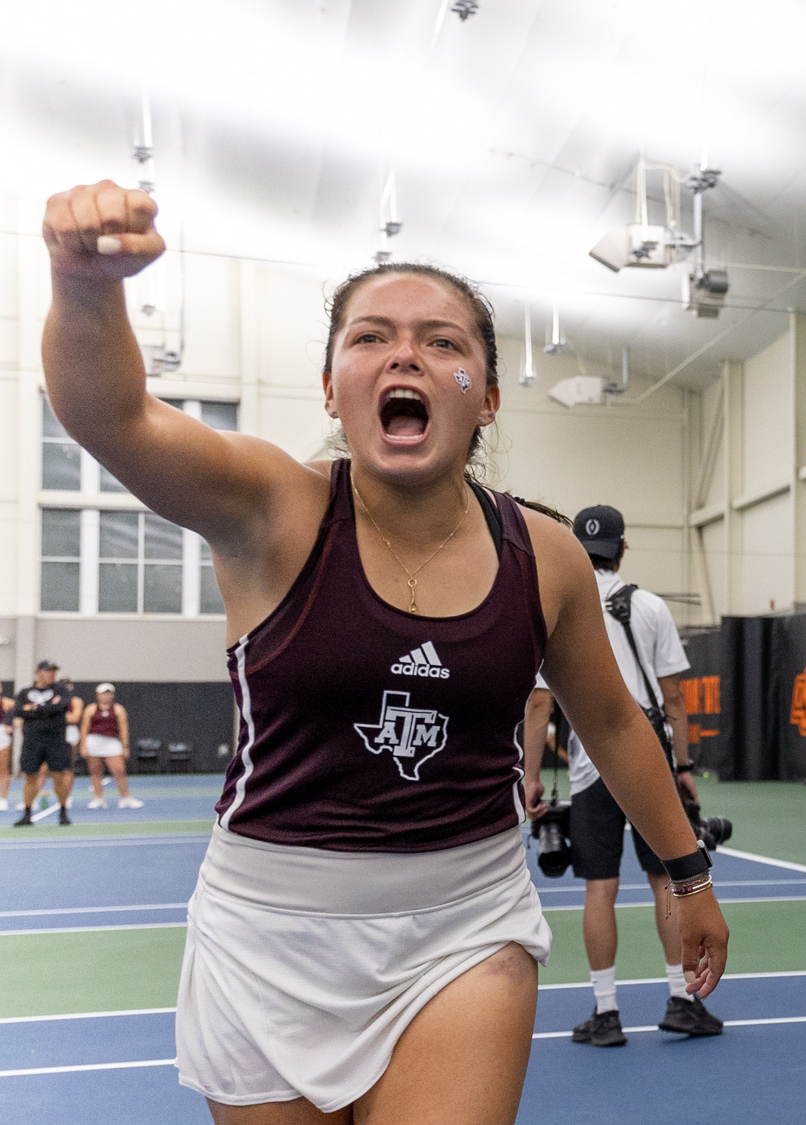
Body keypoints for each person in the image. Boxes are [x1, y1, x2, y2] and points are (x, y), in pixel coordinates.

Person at [41, 179, 728, 1123]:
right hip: (267, 935)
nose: (404, 351)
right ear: (333, 387)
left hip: (465, 925)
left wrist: (686, 873)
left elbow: (610, 717)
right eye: (370, 336)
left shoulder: (546, 554)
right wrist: (84, 284)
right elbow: (112, 418)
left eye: (443, 340)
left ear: (485, 396)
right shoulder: (271, 509)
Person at [522, 504, 724, 1048]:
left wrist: (531, 776)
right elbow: (674, 698)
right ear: (623, 549)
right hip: (647, 758)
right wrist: (682, 766)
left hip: (589, 767)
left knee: (599, 888)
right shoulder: (651, 607)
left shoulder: (558, 602)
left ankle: (605, 1011)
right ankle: (684, 1000)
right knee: (668, 879)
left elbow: (540, 702)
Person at [12, 661, 77, 826]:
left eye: (53, 672)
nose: (51, 674)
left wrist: (34, 709)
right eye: (48, 671)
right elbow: (18, 711)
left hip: (55, 741)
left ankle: (63, 812)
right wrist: (47, 708)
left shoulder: (61, 690)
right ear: (38, 672)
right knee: (30, 776)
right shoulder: (25, 692)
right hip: (32, 741)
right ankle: (27, 814)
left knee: (58, 776)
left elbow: (61, 707)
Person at [79, 683, 143, 810]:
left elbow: (124, 729)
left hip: (112, 742)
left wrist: (125, 747)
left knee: (119, 770)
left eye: (108, 693)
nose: (106, 696)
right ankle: (98, 798)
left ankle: (125, 798)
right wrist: (83, 745)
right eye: (103, 693)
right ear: (98, 695)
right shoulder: (90, 709)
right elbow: (84, 728)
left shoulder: (118, 709)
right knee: (95, 771)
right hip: (94, 741)